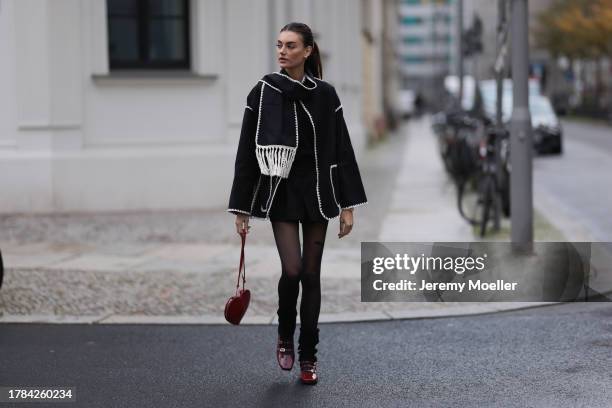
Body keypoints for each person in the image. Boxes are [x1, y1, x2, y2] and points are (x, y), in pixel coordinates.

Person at [227, 22, 367, 385]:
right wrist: (242, 207)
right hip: (282, 192)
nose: (283, 51)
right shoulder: (263, 92)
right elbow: (246, 153)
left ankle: (308, 356)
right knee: (292, 272)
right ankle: (285, 332)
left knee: (311, 274)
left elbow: (343, 149)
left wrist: (348, 204)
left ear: (307, 51)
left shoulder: (326, 95)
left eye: (291, 45)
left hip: (318, 193)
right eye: (279, 45)